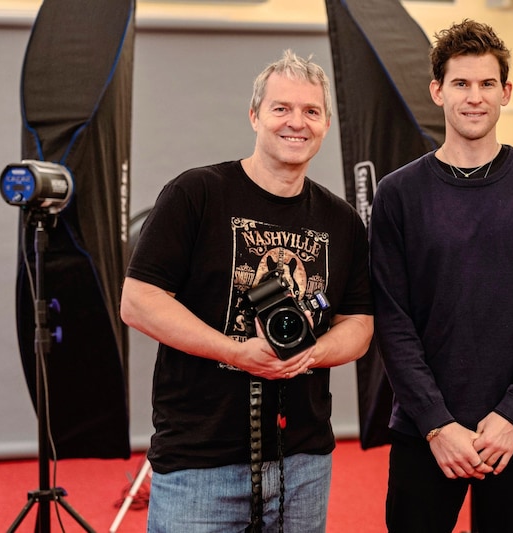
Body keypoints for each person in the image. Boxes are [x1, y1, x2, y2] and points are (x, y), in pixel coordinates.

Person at [120, 50, 373, 532]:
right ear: (255, 115)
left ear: (326, 124)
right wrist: (235, 352)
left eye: (311, 111)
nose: (296, 122)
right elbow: (139, 301)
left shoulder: (342, 222)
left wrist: (312, 354)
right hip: (200, 459)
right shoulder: (196, 193)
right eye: (281, 108)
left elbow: (359, 325)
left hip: (304, 460)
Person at [369, 20, 513, 532]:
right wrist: (437, 423)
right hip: (426, 432)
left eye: (487, 84)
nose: (474, 97)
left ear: (506, 92)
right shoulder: (397, 194)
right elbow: (393, 322)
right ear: (438, 91)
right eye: (461, 83)